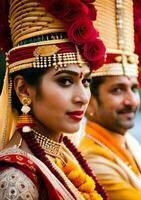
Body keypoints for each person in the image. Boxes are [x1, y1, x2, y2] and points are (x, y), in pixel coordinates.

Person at [0, 0, 108, 199]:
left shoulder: (63, 156)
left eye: (86, 81)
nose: (83, 97)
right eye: (65, 81)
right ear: (24, 90)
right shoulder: (15, 179)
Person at [78, 1, 141, 199]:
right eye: (117, 90)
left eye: (134, 88)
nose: (131, 101)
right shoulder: (92, 159)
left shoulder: (129, 143)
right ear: (90, 103)